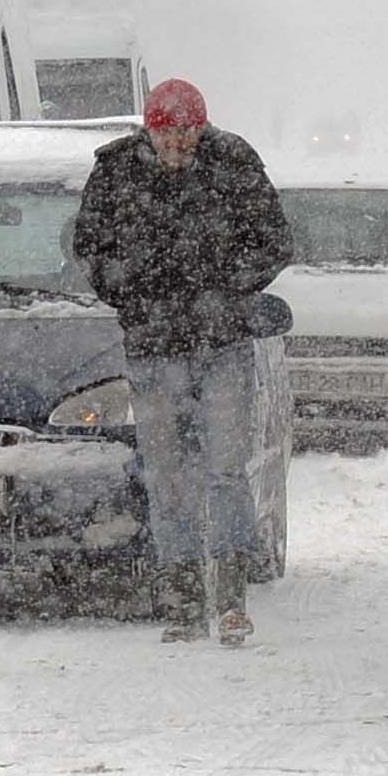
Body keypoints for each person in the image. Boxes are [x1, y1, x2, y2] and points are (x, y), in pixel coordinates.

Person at [75, 78, 292, 648]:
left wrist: (230, 292)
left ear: (204, 127)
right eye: (168, 134)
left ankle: (230, 597)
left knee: (225, 470)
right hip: (153, 347)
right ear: (148, 130)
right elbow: (90, 248)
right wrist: (129, 290)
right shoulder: (116, 172)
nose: (178, 145)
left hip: (221, 345)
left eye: (188, 133)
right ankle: (181, 600)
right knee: (166, 476)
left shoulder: (233, 162)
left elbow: (275, 240)